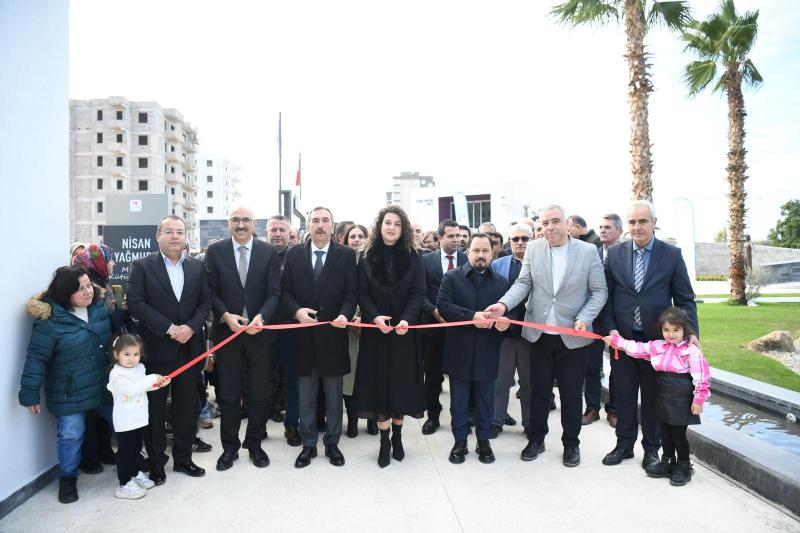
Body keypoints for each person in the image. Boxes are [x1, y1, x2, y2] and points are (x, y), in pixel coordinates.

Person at [486, 205, 607, 467]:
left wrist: (585, 317)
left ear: (566, 224)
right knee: (537, 391)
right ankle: (536, 439)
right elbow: (523, 283)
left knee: (571, 395)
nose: (549, 227)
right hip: (538, 335)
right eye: (544, 223)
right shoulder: (534, 248)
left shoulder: (587, 251)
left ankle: (571, 444)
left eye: (555, 221)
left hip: (573, 336)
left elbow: (599, 291)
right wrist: (503, 305)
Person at [600, 200, 698, 471]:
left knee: (653, 398)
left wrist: (691, 333)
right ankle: (624, 445)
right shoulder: (615, 254)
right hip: (623, 340)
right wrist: (610, 328)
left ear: (654, 223)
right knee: (624, 396)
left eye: (643, 221)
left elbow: (685, 299)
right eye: (632, 222)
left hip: (658, 343)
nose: (637, 227)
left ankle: (651, 450)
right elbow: (606, 297)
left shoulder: (671, 254)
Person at [127, 215, 212, 484]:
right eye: (169, 232)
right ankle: (156, 463)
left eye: (179, 232)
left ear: (186, 236)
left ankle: (184, 459)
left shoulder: (197, 268)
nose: (175, 236)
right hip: (157, 350)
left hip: (189, 349)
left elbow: (206, 302)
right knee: (154, 411)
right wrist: (169, 328)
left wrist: (191, 327)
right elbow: (136, 302)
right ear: (158, 236)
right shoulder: (142, 266)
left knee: (187, 409)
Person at [19, 266, 113, 504]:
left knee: (124, 421)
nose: (88, 291)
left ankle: (133, 462)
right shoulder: (49, 320)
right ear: (64, 292)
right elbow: (36, 358)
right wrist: (29, 393)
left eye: (89, 285)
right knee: (71, 435)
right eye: (80, 289)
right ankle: (68, 479)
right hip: (69, 390)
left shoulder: (99, 307)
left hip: (103, 384)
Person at [205, 207, 282, 471]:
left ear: (253, 223)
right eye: (235, 220)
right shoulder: (215, 251)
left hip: (260, 335)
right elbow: (210, 291)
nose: (241, 224)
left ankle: (255, 444)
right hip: (228, 334)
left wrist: (262, 317)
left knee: (260, 393)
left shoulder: (268, 252)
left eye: (246, 220)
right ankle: (229, 448)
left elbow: (275, 292)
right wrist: (225, 315)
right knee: (228, 394)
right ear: (229, 223)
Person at [352, 205, 427, 468]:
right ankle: (384, 441)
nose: (392, 227)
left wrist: (407, 318)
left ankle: (397, 436)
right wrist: (374, 317)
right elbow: (361, 292)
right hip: (376, 334)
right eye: (387, 223)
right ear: (380, 226)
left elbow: (418, 292)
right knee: (378, 387)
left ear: (403, 228)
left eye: (397, 223)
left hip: (404, 333)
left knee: (400, 387)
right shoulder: (366, 256)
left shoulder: (414, 256)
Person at [282, 207, 357, 468]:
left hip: (333, 337)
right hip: (303, 339)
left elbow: (351, 293)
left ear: (333, 226)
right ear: (309, 226)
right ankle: (309, 444)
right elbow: (285, 292)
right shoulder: (293, 254)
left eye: (325, 220)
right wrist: (296, 311)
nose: (320, 225)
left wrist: (345, 314)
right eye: (315, 220)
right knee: (306, 398)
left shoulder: (346, 255)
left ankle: (332, 443)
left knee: (334, 398)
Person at [604, 307, 709, 486]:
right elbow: (637, 348)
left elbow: (702, 378)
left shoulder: (691, 352)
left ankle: (684, 466)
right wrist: (617, 341)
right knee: (665, 432)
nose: (671, 334)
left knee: (678, 435)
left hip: (681, 397)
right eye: (666, 330)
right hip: (664, 395)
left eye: (676, 330)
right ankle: (667, 462)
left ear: (685, 330)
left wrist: (699, 400)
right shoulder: (658, 346)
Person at [438, 233, 510, 464]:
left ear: (493, 253)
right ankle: (460, 442)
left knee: (486, 401)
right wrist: (471, 316)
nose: (480, 255)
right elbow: (443, 305)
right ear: (467, 252)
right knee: (458, 402)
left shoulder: (501, 283)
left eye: (485, 251)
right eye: (476, 250)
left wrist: (504, 324)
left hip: (488, 351)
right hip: (459, 351)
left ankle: (483, 442)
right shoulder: (452, 278)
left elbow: (510, 312)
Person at [420, 219, 467, 435]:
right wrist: (434, 311)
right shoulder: (425, 261)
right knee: (432, 376)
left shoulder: (466, 259)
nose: (457, 240)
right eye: (451, 236)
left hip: (461, 328)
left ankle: (462, 417)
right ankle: (433, 416)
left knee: (461, 376)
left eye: (459, 236)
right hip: (433, 328)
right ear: (440, 238)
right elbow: (419, 292)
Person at [107, 334, 168, 500]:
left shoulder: (139, 368)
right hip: (125, 422)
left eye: (136, 354)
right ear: (116, 354)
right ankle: (124, 484)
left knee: (135, 450)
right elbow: (133, 390)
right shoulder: (117, 374)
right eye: (126, 354)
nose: (132, 358)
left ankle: (134, 474)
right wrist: (153, 378)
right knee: (125, 453)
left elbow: (143, 388)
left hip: (139, 419)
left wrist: (158, 384)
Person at [489, 223, 533, 438]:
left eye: (525, 239)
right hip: (503, 333)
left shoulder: (541, 264)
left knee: (528, 383)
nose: (520, 243)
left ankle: (529, 423)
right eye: (515, 239)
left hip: (531, 334)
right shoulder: (498, 265)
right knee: (500, 381)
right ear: (509, 241)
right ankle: (496, 421)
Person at [583, 213, 624, 427]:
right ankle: (592, 408)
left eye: (608, 227)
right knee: (591, 366)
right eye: (600, 227)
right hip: (594, 318)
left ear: (620, 231)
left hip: (618, 320)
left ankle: (614, 410)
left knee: (618, 368)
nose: (603, 230)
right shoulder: (592, 253)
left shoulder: (627, 255)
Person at [266, 215, 302, 446]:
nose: (278, 234)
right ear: (267, 232)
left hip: (292, 329)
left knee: (293, 381)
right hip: (263, 328)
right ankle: (259, 427)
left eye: (282, 230)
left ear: (290, 233)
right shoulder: (259, 255)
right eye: (273, 230)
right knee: (261, 380)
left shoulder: (298, 257)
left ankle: (291, 426)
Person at [343, 224, 376, 437]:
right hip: (348, 329)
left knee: (372, 376)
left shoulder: (373, 261)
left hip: (371, 326)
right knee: (350, 378)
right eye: (352, 236)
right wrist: (349, 317)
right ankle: (353, 420)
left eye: (361, 236)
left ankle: (373, 419)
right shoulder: (342, 261)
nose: (356, 239)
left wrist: (366, 318)